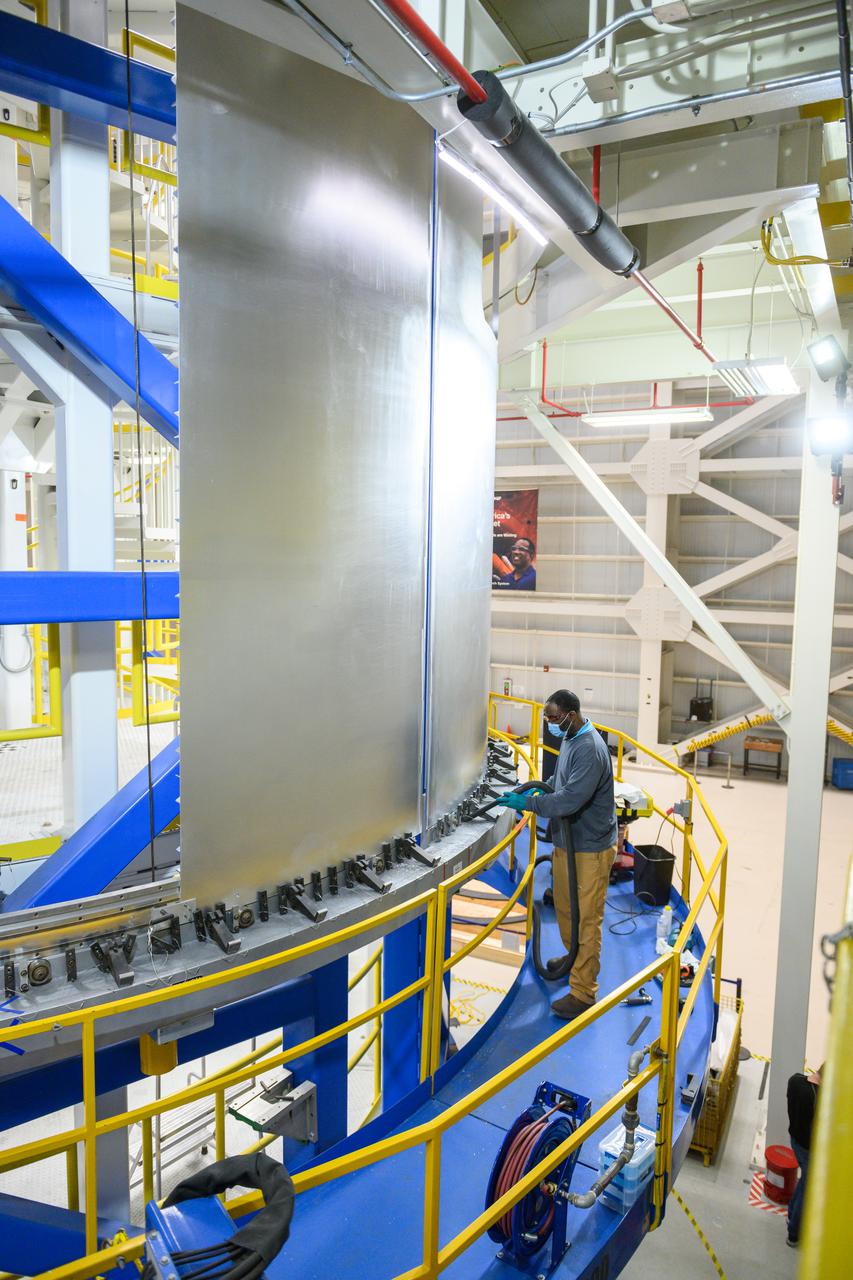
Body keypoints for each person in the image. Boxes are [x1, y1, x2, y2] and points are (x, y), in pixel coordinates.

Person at [499, 689, 617, 1021]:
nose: (549, 724)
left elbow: (568, 800)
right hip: (569, 842)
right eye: (547, 718)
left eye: (553, 718)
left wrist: (530, 804)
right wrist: (543, 785)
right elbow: (561, 782)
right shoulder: (569, 738)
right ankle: (572, 960)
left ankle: (583, 992)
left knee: (587, 918)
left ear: (571, 713)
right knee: (566, 907)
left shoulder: (590, 748)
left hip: (590, 848)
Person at [786, 1064, 821, 1247]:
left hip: (794, 1139)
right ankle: (794, 1234)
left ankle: (791, 1214)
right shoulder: (817, 1098)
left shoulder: (795, 1080)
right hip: (808, 1148)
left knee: (804, 1181)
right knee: (807, 1190)